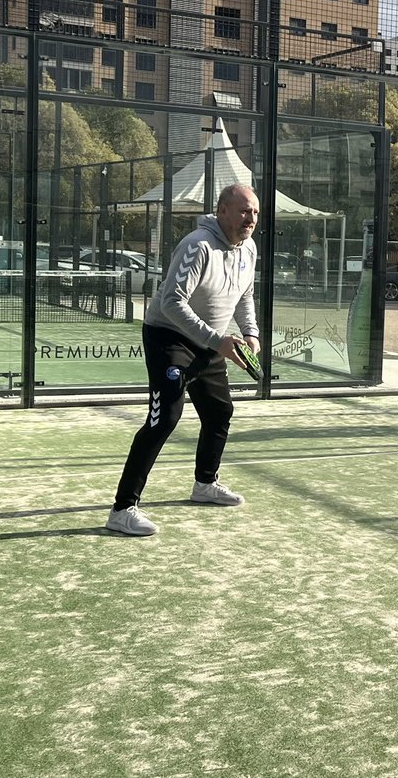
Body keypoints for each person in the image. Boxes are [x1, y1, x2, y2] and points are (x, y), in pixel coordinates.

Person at [106, 184, 262, 536]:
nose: (250, 218)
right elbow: (170, 304)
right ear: (222, 210)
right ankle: (122, 508)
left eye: (254, 212)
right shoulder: (197, 245)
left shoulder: (249, 248)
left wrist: (250, 333)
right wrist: (216, 340)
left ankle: (205, 485)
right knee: (164, 419)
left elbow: (244, 295)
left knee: (220, 412)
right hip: (170, 338)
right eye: (242, 211)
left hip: (212, 343)